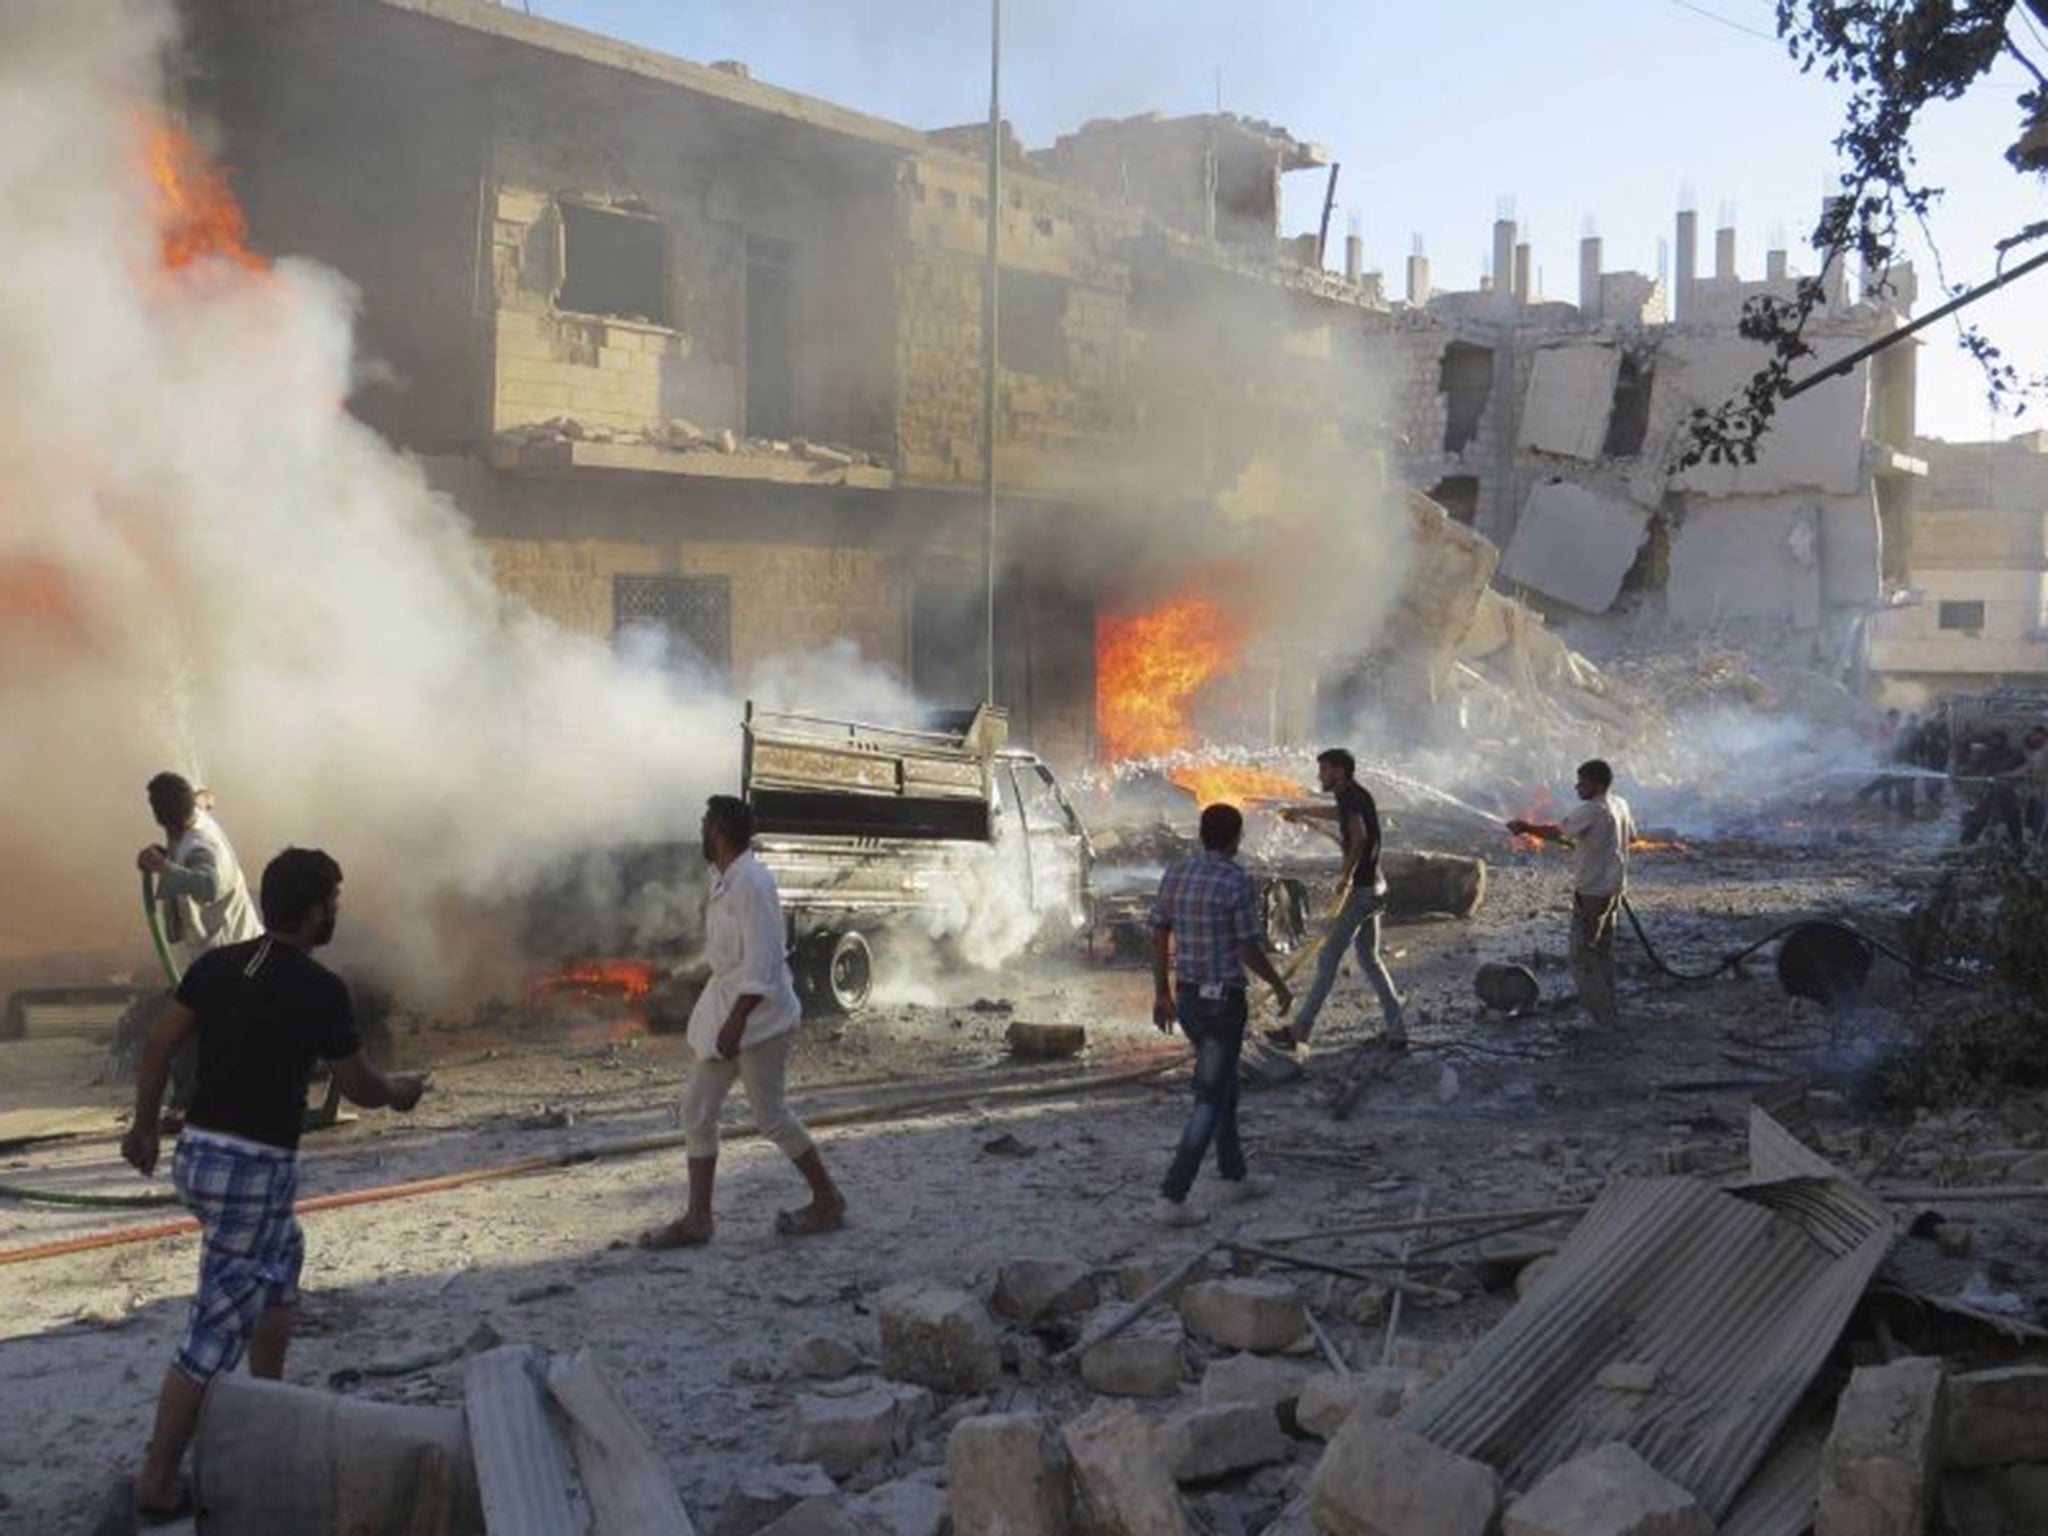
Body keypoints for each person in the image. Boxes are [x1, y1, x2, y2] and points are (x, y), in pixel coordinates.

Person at [120, 848, 427, 1524]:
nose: (337, 913)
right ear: (317, 909)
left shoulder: (220, 966)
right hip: (249, 1169)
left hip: (202, 1155)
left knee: (281, 1259)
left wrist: (144, 1127)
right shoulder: (319, 988)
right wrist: (402, 1092)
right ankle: (159, 1479)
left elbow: (157, 1046)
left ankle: (269, 1400)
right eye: (335, 902)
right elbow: (360, 1087)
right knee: (213, 1329)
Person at [642, 796, 844, 1249]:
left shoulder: (752, 883)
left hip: (760, 1019)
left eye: (704, 824)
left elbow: (765, 963)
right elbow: (731, 958)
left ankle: (828, 1200)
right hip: (728, 1013)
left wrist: (735, 1022)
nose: (700, 832)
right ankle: (698, 1220)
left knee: (771, 1117)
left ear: (718, 829)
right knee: (697, 1109)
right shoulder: (726, 880)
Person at [1150, 803, 1292, 1227]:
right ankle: (1173, 1196)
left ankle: (1234, 1175)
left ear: (1201, 834)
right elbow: (1248, 946)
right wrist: (1280, 985)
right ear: (1236, 838)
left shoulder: (1176, 874)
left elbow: (1158, 933)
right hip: (1222, 1005)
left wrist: (1161, 993)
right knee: (1210, 1099)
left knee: (1224, 1086)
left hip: (1190, 1001)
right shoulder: (1235, 880)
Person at [1270, 747, 1404, 1051]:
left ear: (1340, 771)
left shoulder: (1352, 797)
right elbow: (1340, 816)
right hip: (1375, 886)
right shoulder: (1352, 796)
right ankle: (1398, 1032)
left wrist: (1346, 876)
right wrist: (1302, 812)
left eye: (1325, 769)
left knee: (1328, 958)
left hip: (1361, 891)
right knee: (1370, 959)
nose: (1320, 775)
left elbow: (1358, 838)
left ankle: (1300, 1031)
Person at [1506, 759, 1637, 1032]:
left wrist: (1525, 827)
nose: (1577, 786)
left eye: (1583, 782)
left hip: (1591, 892)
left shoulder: (1592, 809)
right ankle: (1609, 1008)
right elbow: (1630, 839)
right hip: (1613, 889)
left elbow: (1556, 831)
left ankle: (1601, 1019)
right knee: (1602, 953)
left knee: (1580, 957)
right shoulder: (1620, 804)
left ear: (1598, 784)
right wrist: (1590, 846)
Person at [138, 773, 262, 973]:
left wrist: (162, 866)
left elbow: (207, 885)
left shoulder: (200, 848)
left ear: (160, 818)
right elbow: (203, 800)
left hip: (234, 956)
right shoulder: (192, 815)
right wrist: (169, 856)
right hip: (229, 952)